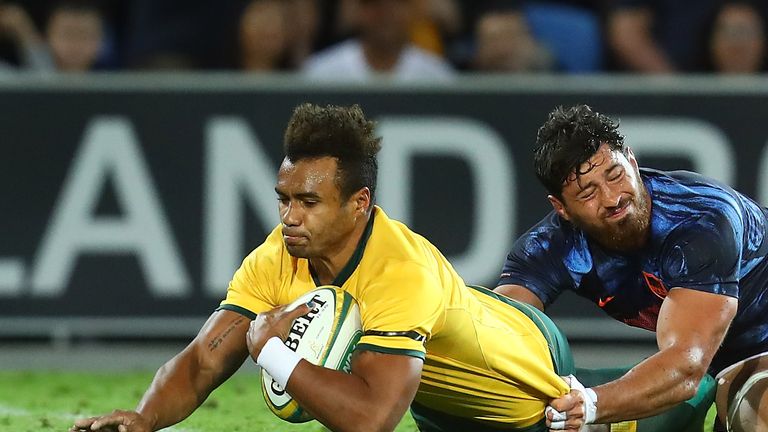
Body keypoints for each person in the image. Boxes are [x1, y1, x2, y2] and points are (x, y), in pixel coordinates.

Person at [69, 103, 577, 432]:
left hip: (527, 383)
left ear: (359, 203)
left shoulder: (399, 269)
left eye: (309, 202)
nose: (290, 217)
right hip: (441, 409)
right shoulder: (277, 255)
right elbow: (206, 357)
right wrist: (143, 418)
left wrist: (274, 353)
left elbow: (372, 421)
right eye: (283, 199)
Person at [496, 104, 768, 431]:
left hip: (749, 343)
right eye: (588, 192)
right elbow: (498, 333)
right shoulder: (546, 248)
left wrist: (590, 405)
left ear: (633, 162)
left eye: (615, 174)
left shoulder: (701, 220)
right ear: (561, 208)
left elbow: (685, 368)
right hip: (724, 355)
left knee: (756, 416)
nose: (612, 198)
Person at [303, 0, 454, 82]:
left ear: (412, 10)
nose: (386, 14)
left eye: (397, 3)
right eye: (375, 4)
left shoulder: (437, 76)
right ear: (358, 10)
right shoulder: (320, 73)